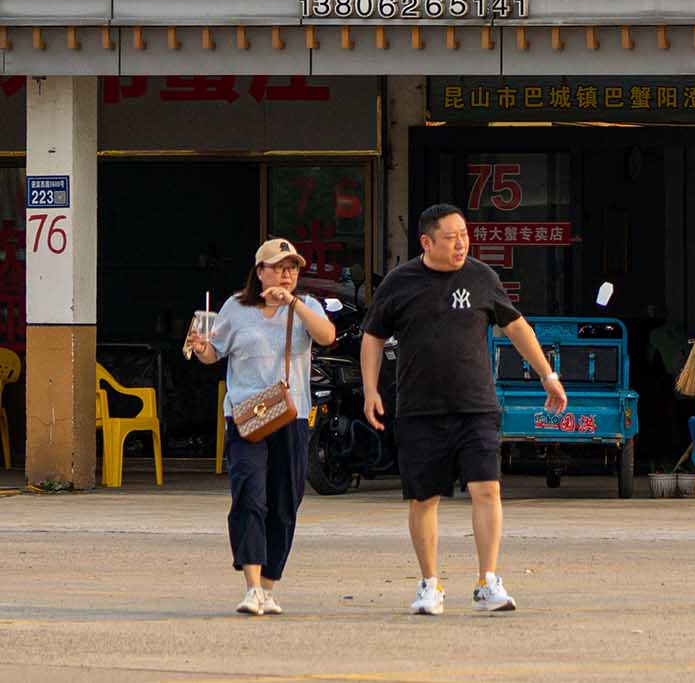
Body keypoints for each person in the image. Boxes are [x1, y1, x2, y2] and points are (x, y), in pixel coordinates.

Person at [362, 204, 567, 616]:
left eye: (464, 235)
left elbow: (515, 325)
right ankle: (429, 584)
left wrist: (547, 374)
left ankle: (487, 581)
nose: (461, 243)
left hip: (475, 406)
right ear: (426, 242)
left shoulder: (480, 277)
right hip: (420, 409)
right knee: (424, 497)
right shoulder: (400, 283)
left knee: (487, 489)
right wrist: (370, 389)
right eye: (451, 236)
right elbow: (372, 336)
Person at [182, 237, 336, 615]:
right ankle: (252, 585)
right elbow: (213, 354)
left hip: (291, 414)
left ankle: (269, 585)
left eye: (293, 268)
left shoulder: (306, 306)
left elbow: (327, 337)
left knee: (286, 500)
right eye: (279, 267)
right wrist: (200, 346)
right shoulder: (236, 307)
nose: (287, 274)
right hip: (246, 416)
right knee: (250, 493)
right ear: (260, 271)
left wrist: (295, 305)